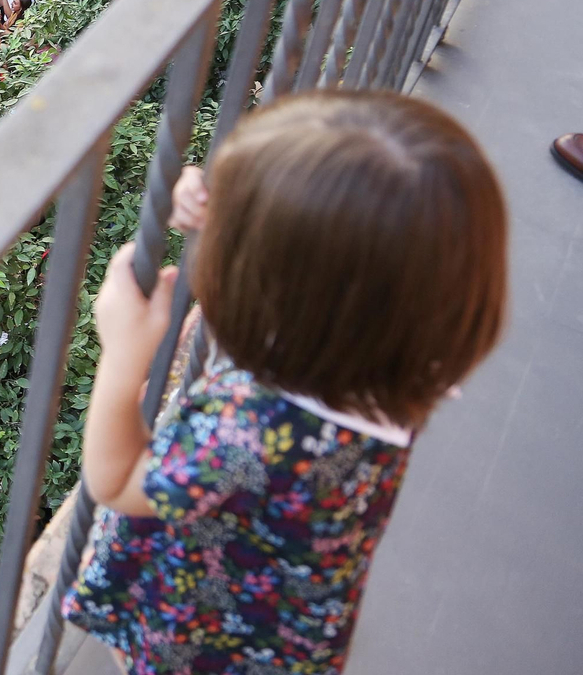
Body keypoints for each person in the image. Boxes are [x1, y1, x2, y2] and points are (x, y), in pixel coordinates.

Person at [62, 91, 508, 674]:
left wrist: (122, 352)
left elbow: (115, 479)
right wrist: (233, 208)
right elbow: (344, 257)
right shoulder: (404, 362)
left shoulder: (247, 430)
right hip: (299, 617)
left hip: (207, 633)